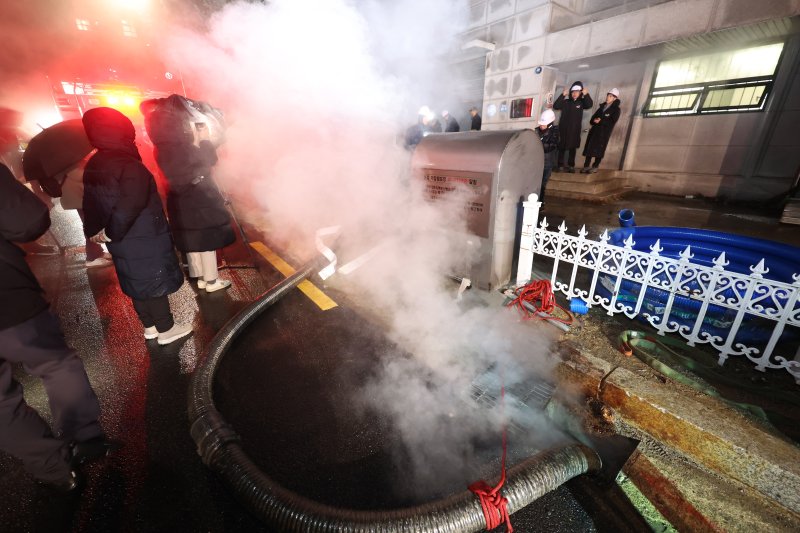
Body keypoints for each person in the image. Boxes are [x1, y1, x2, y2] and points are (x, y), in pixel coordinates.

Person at [0, 163, 114, 491]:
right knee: (55, 363)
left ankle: (54, 469)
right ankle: (84, 437)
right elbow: (27, 221)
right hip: (7, 298)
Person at [81, 107, 191, 346]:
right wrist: (112, 230)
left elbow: (89, 203)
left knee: (135, 280)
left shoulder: (94, 162)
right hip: (141, 234)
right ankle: (167, 328)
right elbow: (131, 203)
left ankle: (150, 327)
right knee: (153, 280)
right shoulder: (128, 165)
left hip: (117, 238)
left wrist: (96, 232)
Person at [144, 95, 235, 293]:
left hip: (180, 198)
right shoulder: (182, 146)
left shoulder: (162, 146)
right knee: (207, 239)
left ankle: (200, 277)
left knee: (193, 238)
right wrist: (203, 141)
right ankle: (211, 281)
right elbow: (207, 160)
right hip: (198, 196)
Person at [59, 159, 114, 268]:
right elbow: (79, 175)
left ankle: (97, 252)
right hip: (79, 197)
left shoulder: (67, 159)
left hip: (80, 196)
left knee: (91, 223)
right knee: (90, 225)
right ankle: (92, 257)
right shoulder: (66, 162)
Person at [553, 81, 593, 172]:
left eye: (577, 92)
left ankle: (571, 166)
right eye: (573, 92)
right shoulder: (566, 102)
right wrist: (562, 95)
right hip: (563, 129)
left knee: (572, 148)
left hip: (575, 130)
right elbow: (556, 106)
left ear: (580, 93)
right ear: (571, 92)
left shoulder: (581, 103)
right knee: (562, 147)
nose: (575, 94)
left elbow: (589, 105)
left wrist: (586, 94)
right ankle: (560, 165)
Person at [581, 88, 621, 173]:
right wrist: (594, 120)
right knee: (589, 148)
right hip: (594, 131)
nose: (608, 98)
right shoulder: (601, 107)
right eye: (607, 96)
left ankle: (595, 166)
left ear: (615, 98)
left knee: (599, 149)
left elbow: (613, 121)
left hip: (604, 133)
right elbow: (592, 119)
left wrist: (601, 121)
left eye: (610, 96)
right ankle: (586, 166)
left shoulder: (616, 109)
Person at [536, 109, 559, 204]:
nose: (541, 126)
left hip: (547, 162)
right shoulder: (537, 130)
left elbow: (552, 146)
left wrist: (539, 144)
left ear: (550, 124)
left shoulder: (555, 132)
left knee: (542, 184)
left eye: (544, 124)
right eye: (541, 124)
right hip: (536, 162)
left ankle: (540, 203)